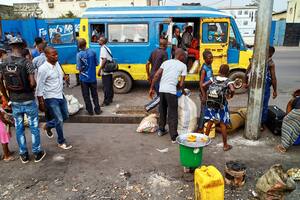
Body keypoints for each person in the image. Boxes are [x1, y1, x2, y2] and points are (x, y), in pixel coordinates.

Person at [0, 37, 46, 163]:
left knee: (19, 128)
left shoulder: (3, 62)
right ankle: (37, 153)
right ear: (22, 46)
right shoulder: (26, 63)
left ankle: (24, 154)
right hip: (28, 100)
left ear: (11, 47)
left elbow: (0, 82)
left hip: (14, 101)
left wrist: (7, 97)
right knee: (34, 126)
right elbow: (32, 83)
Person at [37, 47, 72, 150]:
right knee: (59, 120)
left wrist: (64, 77)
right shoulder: (43, 69)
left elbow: (60, 75)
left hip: (60, 95)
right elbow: (39, 86)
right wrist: (41, 102)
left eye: (57, 54)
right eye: (53, 55)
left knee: (65, 116)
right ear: (47, 56)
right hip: (50, 97)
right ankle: (61, 142)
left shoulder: (57, 64)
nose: (56, 56)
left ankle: (48, 125)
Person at [149, 48, 187, 143]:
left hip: (162, 90)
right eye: (184, 56)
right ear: (181, 56)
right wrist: (182, 91)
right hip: (171, 92)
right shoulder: (183, 66)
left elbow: (156, 75)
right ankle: (174, 137)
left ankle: (161, 130)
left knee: (162, 110)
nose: (185, 57)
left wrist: (151, 88)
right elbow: (182, 84)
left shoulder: (166, 63)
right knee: (173, 113)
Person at [204, 64, 234, 151]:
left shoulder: (213, 78)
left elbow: (203, 85)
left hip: (211, 104)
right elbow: (232, 89)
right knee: (222, 124)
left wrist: (206, 96)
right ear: (227, 72)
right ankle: (225, 145)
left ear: (219, 71)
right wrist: (231, 96)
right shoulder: (228, 81)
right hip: (221, 105)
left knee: (210, 121)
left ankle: (204, 141)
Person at [77, 38, 102, 115]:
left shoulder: (79, 55)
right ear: (86, 43)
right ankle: (97, 110)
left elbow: (79, 68)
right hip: (92, 78)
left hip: (84, 78)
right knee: (95, 94)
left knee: (86, 95)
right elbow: (97, 63)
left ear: (79, 46)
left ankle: (90, 111)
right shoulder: (93, 52)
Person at [197, 50, 214, 133]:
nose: (211, 59)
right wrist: (203, 95)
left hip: (208, 90)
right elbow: (201, 83)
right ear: (204, 59)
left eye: (212, 57)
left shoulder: (209, 65)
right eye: (209, 58)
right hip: (204, 91)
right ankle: (200, 128)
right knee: (203, 110)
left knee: (208, 109)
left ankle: (205, 126)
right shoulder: (204, 69)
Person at [261, 46, 277, 131]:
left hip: (254, 85)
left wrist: (245, 82)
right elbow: (273, 78)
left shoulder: (257, 58)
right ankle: (262, 123)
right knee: (264, 106)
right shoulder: (271, 63)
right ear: (271, 53)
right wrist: (275, 90)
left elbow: (248, 70)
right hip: (265, 87)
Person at [98, 37, 114, 106]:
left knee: (106, 86)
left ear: (102, 41)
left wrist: (99, 69)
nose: (98, 41)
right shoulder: (107, 48)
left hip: (105, 71)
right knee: (109, 85)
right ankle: (110, 99)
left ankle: (106, 101)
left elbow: (104, 59)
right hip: (109, 70)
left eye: (100, 40)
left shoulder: (103, 49)